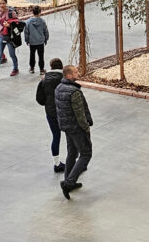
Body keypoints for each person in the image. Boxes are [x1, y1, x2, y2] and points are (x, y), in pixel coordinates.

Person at [56, 64, 94, 199]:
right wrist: (86, 127)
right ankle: (68, 183)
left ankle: (68, 180)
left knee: (72, 153)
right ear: (69, 75)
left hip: (67, 127)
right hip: (77, 129)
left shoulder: (59, 88)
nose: (78, 73)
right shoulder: (74, 92)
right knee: (86, 154)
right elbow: (80, 114)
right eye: (75, 72)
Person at [35, 58, 66, 173]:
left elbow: (39, 98)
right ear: (62, 67)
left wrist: (48, 103)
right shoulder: (64, 79)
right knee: (71, 135)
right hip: (64, 111)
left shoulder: (44, 80)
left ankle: (56, 163)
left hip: (51, 112)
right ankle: (73, 161)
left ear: (51, 67)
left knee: (56, 136)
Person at [24, 5, 50, 75]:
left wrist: (27, 40)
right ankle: (41, 69)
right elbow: (45, 31)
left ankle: (32, 68)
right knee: (41, 56)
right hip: (40, 42)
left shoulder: (28, 22)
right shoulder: (42, 21)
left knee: (32, 55)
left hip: (32, 42)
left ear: (32, 12)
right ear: (40, 12)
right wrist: (46, 39)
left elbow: (26, 32)